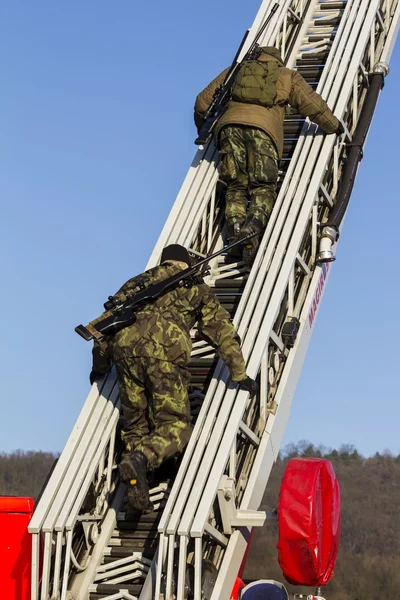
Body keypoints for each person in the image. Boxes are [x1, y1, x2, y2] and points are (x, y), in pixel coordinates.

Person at [90, 244, 257, 512]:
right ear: (185, 263)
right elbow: (221, 330)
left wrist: (100, 367)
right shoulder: (194, 286)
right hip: (164, 353)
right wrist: (239, 373)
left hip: (124, 353)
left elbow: (105, 328)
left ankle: (140, 478)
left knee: (136, 428)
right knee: (176, 427)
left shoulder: (133, 285)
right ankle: (143, 458)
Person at [194, 46, 343, 264]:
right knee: (263, 186)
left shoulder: (236, 71)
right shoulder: (286, 75)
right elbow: (311, 104)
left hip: (229, 128)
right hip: (264, 132)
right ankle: (252, 227)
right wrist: (333, 126)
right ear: (278, 61)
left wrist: (205, 130)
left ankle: (235, 230)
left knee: (235, 185)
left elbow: (202, 102)